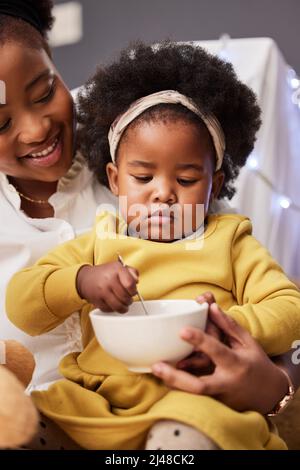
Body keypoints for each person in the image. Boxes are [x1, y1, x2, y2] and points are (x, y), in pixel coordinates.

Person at [6, 41, 300, 450]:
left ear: (214, 182)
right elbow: (22, 303)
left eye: (185, 180)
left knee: (195, 428)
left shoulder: (229, 240)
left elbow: (290, 306)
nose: (163, 194)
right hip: (98, 402)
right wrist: (80, 282)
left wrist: (228, 327)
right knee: (35, 413)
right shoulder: (100, 240)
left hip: (194, 397)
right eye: (143, 178)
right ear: (113, 179)